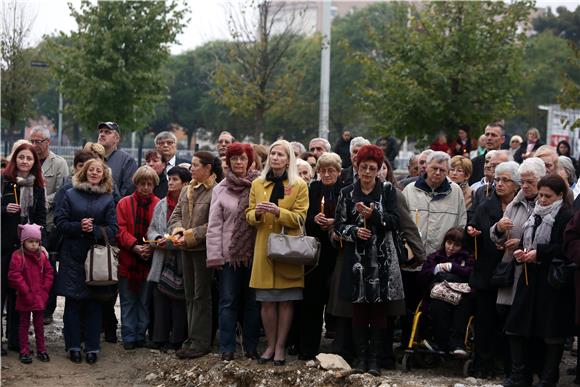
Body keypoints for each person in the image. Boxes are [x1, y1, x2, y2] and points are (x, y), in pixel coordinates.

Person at [334, 144, 402, 376]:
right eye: (363, 167)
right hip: (356, 261)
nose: (367, 172)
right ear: (357, 166)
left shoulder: (387, 190)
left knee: (379, 312)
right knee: (359, 310)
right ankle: (361, 357)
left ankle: (375, 358)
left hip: (381, 260)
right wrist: (354, 231)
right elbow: (339, 225)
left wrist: (373, 215)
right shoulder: (347, 193)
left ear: (379, 169)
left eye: (372, 168)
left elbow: (395, 221)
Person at [504, 175, 574, 387]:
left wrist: (539, 253)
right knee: (517, 327)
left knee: (551, 332)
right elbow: (528, 239)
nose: (542, 200)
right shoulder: (535, 213)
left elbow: (566, 247)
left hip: (552, 281)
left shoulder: (565, 215)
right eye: (540, 195)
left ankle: (548, 378)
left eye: (547, 196)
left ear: (560, 195)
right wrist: (522, 253)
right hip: (529, 276)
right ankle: (520, 376)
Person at [246, 139, 309, 366]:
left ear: (289, 159)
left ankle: (281, 346)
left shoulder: (299, 185)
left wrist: (278, 211)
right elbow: (249, 215)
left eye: (281, 154)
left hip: (287, 250)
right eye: (273, 154)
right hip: (264, 249)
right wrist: (259, 215)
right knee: (266, 302)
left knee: (285, 301)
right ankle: (270, 345)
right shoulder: (258, 184)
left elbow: (301, 218)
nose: (275, 158)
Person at [54, 158, 118, 364]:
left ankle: (92, 347)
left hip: (96, 257)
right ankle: (72, 345)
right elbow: (60, 222)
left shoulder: (108, 199)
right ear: (84, 172)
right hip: (72, 255)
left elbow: (113, 229)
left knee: (94, 303)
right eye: (91, 169)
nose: (94, 173)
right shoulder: (70, 194)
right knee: (72, 302)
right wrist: (78, 226)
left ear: (103, 175)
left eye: (98, 170)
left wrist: (96, 230)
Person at [206, 143, 261, 361]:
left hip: (254, 255)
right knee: (227, 302)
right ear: (228, 162)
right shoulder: (220, 188)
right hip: (229, 257)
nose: (239, 163)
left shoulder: (259, 185)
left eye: (243, 159)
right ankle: (227, 347)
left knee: (252, 303)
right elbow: (214, 226)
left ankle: (250, 347)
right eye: (234, 159)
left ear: (250, 161)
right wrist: (214, 256)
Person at [467, 161, 520, 379]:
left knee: (507, 322)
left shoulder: (522, 206)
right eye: (497, 179)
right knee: (485, 321)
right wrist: (472, 233)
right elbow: (472, 238)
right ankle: (482, 364)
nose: (499, 184)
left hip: (511, 272)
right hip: (487, 271)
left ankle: (507, 365)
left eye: (505, 180)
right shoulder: (484, 206)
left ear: (516, 185)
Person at [169, 151, 223, 359]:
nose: (191, 169)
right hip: (186, 249)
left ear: (208, 168)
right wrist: (178, 232)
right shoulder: (187, 190)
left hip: (204, 251)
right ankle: (191, 338)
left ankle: (201, 342)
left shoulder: (217, 191)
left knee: (202, 296)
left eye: (195, 165)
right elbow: (176, 216)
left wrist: (191, 235)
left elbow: (215, 224)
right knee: (190, 295)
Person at [294, 152, 343, 361]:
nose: (326, 174)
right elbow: (304, 214)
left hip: (337, 252)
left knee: (336, 301)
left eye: (330, 170)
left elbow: (347, 216)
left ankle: (339, 348)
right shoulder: (312, 188)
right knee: (311, 302)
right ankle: (307, 347)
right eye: (322, 170)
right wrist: (315, 218)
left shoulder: (344, 191)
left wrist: (334, 222)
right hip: (315, 252)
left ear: (339, 172)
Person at [1, 142, 47, 354]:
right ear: (14, 159)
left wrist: (40, 244)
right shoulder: (4, 181)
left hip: (25, 250)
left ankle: (14, 339)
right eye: (21, 158)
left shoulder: (38, 186)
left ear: (34, 162)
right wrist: (3, 208)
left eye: (29, 158)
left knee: (17, 294)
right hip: (4, 245)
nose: (25, 162)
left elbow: (41, 217)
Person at [146, 166, 191, 351]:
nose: (170, 183)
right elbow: (151, 229)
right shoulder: (161, 204)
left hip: (181, 258)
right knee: (160, 298)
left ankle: (177, 340)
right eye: (169, 179)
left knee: (179, 300)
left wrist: (172, 241)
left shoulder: (190, 203)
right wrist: (158, 239)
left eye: (175, 179)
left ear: (186, 183)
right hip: (161, 258)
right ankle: (159, 338)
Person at [116, 166, 160, 350]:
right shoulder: (124, 203)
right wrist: (135, 246)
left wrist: (150, 246)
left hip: (149, 261)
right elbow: (120, 229)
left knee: (144, 301)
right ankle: (128, 336)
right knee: (127, 301)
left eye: (150, 184)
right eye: (142, 183)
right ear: (136, 184)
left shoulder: (159, 204)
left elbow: (160, 229)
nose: (146, 187)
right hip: (128, 259)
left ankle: (140, 335)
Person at [418, 227, 474, 356]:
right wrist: (436, 269)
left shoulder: (468, 259)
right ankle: (440, 343)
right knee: (438, 304)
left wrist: (453, 267)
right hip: (438, 296)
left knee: (463, 304)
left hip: (462, 296)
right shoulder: (435, 257)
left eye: (456, 245)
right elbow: (421, 277)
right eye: (449, 243)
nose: (451, 247)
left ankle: (457, 344)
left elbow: (472, 273)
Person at [403, 151, 467, 256]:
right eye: (434, 168)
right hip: (413, 257)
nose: (437, 173)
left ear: (447, 172)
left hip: (442, 260)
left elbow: (461, 224)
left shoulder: (456, 191)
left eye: (442, 170)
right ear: (426, 167)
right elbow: (402, 222)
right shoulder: (410, 190)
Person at [8, 223, 54, 364]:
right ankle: (24, 350)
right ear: (23, 241)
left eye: (36, 242)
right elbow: (14, 275)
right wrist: (25, 291)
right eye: (30, 241)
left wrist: (45, 290)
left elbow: (49, 272)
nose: (34, 245)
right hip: (24, 297)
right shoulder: (18, 256)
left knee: (39, 325)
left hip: (39, 296)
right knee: (24, 324)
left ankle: (41, 349)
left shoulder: (42, 257)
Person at [97, 121, 138, 197]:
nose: (102, 134)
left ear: (116, 138)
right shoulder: (91, 157)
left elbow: (128, 192)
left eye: (107, 132)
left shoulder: (127, 161)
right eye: (101, 131)